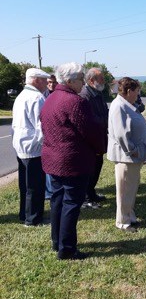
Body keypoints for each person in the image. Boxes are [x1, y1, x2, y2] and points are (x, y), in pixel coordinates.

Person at [41, 62, 104, 260]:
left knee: (57, 201)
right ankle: (67, 249)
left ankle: (57, 241)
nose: (82, 83)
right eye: (79, 80)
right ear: (69, 81)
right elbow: (91, 131)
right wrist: (100, 148)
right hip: (73, 161)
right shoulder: (75, 102)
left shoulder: (50, 98)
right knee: (70, 204)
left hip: (53, 159)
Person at [107, 77, 146, 233]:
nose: (138, 94)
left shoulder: (127, 105)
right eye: (136, 91)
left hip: (132, 156)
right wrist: (131, 149)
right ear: (128, 91)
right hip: (126, 156)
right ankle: (123, 221)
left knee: (131, 188)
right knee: (125, 189)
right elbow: (120, 133)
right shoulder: (119, 106)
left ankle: (129, 216)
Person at [12, 67, 50, 226]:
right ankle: (33, 218)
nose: (46, 84)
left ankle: (25, 213)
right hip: (33, 147)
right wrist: (44, 144)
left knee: (25, 184)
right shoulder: (36, 97)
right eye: (44, 81)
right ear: (36, 80)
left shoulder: (21, 96)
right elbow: (41, 126)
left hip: (21, 145)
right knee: (35, 185)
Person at [80, 67, 109, 209]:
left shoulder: (98, 93)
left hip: (99, 137)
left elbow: (104, 111)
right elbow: (90, 119)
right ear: (91, 81)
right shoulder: (85, 95)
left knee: (97, 167)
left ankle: (91, 193)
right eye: (101, 78)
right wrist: (106, 120)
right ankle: (86, 198)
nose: (104, 80)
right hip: (90, 140)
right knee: (90, 169)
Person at [44, 74, 58, 199]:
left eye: (54, 82)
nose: (51, 84)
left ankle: (51, 190)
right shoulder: (43, 96)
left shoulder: (57, 94)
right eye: (49, 82)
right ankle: (49, 192)